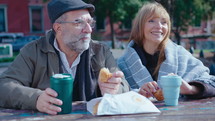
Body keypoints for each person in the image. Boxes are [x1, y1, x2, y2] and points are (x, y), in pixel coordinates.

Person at [0, 0, 129, 115]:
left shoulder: (101, 51)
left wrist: (115, 89)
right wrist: (35, 99)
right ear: (58, 28)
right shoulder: (33, 52)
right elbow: (4, 86)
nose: (88, 29)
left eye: (90, 22)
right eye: (79, 22)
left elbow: (124, 86)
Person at [117, 2, 215, 100]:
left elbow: (211, 82)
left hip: (180, 114)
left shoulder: (180, 54)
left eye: (164, 22)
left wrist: (190, 89)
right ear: (140, 26)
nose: (159, 26)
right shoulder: (123, 64)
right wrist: (137, 93)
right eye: (151, 21)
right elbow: (115, 94)